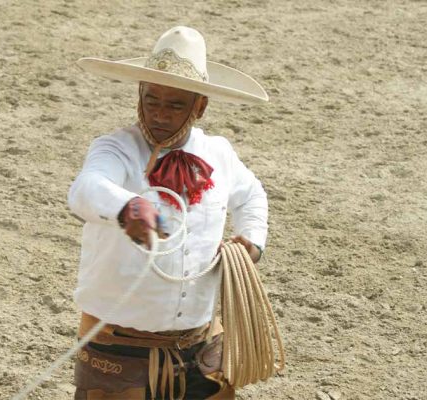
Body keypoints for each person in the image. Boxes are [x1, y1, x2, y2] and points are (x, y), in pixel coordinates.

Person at [68, 26, 269, 400]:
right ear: (139, 96)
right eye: (151, 99)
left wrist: (252, 242)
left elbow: (252, 196)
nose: (159, 114)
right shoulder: (115, 149)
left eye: (175, 104)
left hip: (201, 340)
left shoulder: (219, 154)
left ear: (200, 106)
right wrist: (127, 206)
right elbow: (87, 188)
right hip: (119, 343)